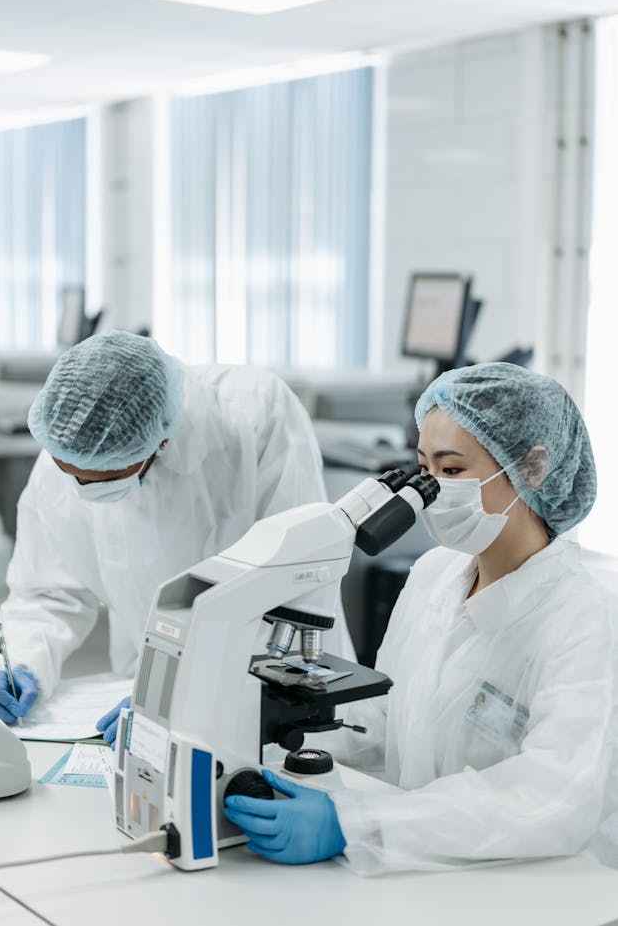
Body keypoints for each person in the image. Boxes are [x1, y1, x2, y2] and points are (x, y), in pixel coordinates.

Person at [225, 362, 618, 874]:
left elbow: (552, 795)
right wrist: (238, 726)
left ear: (533, 467)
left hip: (537, 882)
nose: (432, 490)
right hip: (425, 867)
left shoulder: (585, 616)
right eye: (424, 469)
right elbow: (385, 718)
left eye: (451, 471)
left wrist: (361, 826)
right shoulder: (434, 573)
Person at [0, 331, 352, 738]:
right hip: (142, 679)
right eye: (70, 473)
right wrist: (22, 663)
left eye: (110, 477)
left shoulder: (255, 417)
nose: (82, 488)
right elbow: (47, 592)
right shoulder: (70, 441)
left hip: (273, 681)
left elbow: (295, 586)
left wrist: (187, 692)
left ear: (163, 439)